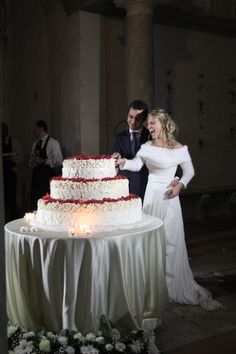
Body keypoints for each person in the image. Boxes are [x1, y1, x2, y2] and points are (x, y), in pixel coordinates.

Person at [115, 108, 222, 311]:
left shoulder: (179, 148)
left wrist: (179, 185)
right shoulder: (146, 146)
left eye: (152, 123)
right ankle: (153, 286)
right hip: (151, 197)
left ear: (163, 124)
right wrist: (122, 162)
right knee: (150, 242)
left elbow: (189, 172)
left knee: (170, 242)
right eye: (148, 123)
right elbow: (137, 165)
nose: (149, 126)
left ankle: (172, 286)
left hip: (169, 198)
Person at [112, 99, 149, 201]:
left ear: (144, 119)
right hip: (123, 185)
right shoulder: (119, 137)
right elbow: (116, 152)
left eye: (137, 118)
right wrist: (116, 156)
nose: (133, 121)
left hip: (145, 184)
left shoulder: (151, 137)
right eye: (130, 117)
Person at [29, 120, 63, 210]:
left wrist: (44, 161)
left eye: (35, 128)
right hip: (36, 175)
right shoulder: (35, 144)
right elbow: (30, 160)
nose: (34, 130)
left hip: (47, 174)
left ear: (41, 128)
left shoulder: (53, 142)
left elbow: (59, 160)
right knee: (35, 198)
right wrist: (33, 162)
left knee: (46, 197)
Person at [2, 122, 23, 222]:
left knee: (12, 196)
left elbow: (20, 156)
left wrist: (11, 157)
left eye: (4, 130)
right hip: (2, 174)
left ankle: (13, 218)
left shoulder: (14, 142)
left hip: (11, 172)